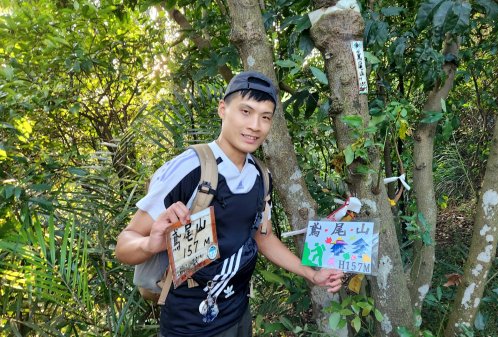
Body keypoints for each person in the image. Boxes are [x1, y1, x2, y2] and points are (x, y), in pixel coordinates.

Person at [115, 71, 344, 337]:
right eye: (245, 112)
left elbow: (262, 236)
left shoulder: (260, 175)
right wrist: (150, 243)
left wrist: (311, 274)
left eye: (265, 117)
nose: (255, 125)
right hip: (188, 324)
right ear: (223, 109)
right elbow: (124, 245)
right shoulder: (189, 169)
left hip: (237, 314)